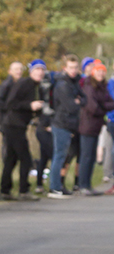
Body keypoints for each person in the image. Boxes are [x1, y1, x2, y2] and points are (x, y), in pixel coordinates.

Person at [0, 59, 47, 201]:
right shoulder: (24, 83)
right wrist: (30, 105)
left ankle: (5, 191)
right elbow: (11, 103)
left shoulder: (37, 86)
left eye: (42, 70)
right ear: (31, 71)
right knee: (26, 159)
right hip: (13, 125)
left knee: (11, 159)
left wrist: (36, 114)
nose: (40, 72)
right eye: (37, 69)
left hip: (19, 125)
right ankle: (23, 190)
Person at [48, 54, 85, 199]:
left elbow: (84, 98)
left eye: (75, 67)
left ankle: (59, 186)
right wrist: (77, 102)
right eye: (70, 67)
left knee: (62, 156)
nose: (73, 70)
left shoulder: (74, 82)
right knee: (59, 156)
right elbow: (71, 106)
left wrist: (79, 101)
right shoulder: (63, 84)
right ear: (65, 68)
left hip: (69, 124)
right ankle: (54, 187)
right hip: (61, 123)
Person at [78, 60, 114, 195]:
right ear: (93, 73)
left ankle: (88, 184)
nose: (101, 74)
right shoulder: (89, 86)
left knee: (92, 156)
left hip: (96, 126)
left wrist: (103, 107)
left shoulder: (102, 87)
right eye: (98, 71)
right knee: (86, 156)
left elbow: (110, 102)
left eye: (103, 72)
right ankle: (83, 185)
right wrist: (103, 109)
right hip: (88, 125)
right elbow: (92, 107)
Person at [0, 61, 23, 133]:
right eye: (16, 69)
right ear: (10, 71)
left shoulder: (17, 84)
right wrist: (8, 109)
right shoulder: (7, 84)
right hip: (3, 122)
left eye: (21, 69)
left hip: (9, 122)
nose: (19, 71)